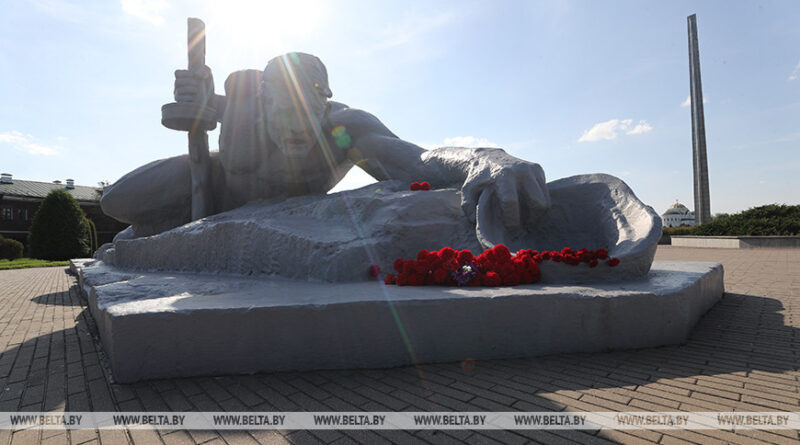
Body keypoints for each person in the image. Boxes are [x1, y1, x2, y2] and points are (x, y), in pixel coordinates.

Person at [101, 52, 550, 240]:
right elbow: (195, 108)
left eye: (307, 118)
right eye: (283, 115)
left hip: (263, 224)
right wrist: (194, 103)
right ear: (263, 106)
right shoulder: (242, 118)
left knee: (136, 231)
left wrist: (485, 159)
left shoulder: (342, 131)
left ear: (324, 104)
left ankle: (147, 234)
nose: (296, 131)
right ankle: (149, 232)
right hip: (215, 192)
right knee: (116, 202)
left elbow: (417, 160)